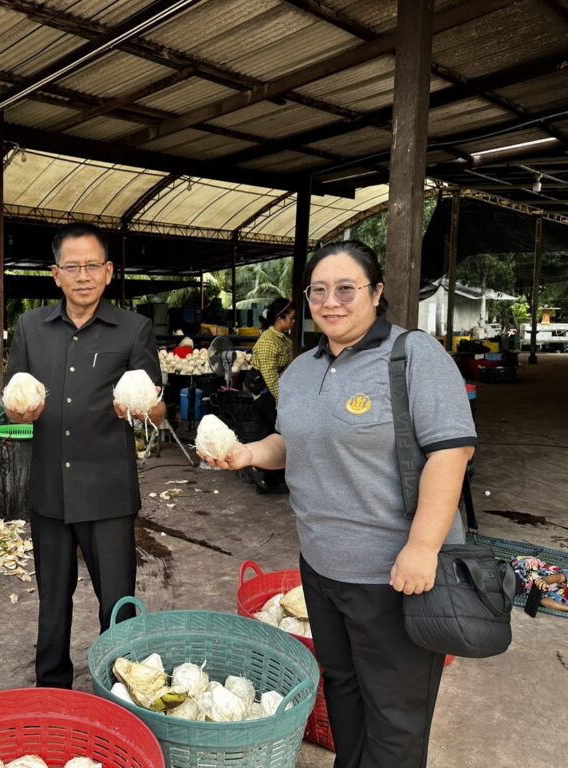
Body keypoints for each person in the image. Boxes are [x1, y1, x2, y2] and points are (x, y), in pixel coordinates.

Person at [203, 241, 476, 768]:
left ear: (376, 293)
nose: (331, 301)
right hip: (321, 569)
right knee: (343, 691)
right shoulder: (301, 370)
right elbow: (291, 442)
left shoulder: (413, 356)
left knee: (395, 713)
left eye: (346, 289)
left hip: (393, 576)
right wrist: (248, 454)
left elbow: (451, 453)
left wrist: (423, 548)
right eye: (319, 291)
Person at [5, 222, 164, 689]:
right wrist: (20, 411)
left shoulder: (133, 329)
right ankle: (52, 690)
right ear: (56, 275)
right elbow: (14, 397)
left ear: (109, 272)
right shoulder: (31, 327)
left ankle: (119, 688)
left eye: (92, 266)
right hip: (49, 491)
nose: (83, 276)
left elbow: (157, 405)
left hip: (108, 492)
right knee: (53, 600)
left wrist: (140, 408)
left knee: (117, 602)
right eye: (72, 267)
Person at [248, 296, 296, 493]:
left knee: (271, 432)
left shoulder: (283, 339)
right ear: (279, 318)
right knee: (273, 433)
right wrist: (280, 401)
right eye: (291, 318)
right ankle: (262, 475)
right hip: (267, 394)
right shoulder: (268, 341)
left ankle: (270, 477)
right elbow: (270, 377)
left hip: (278, 393)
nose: (294, 321)